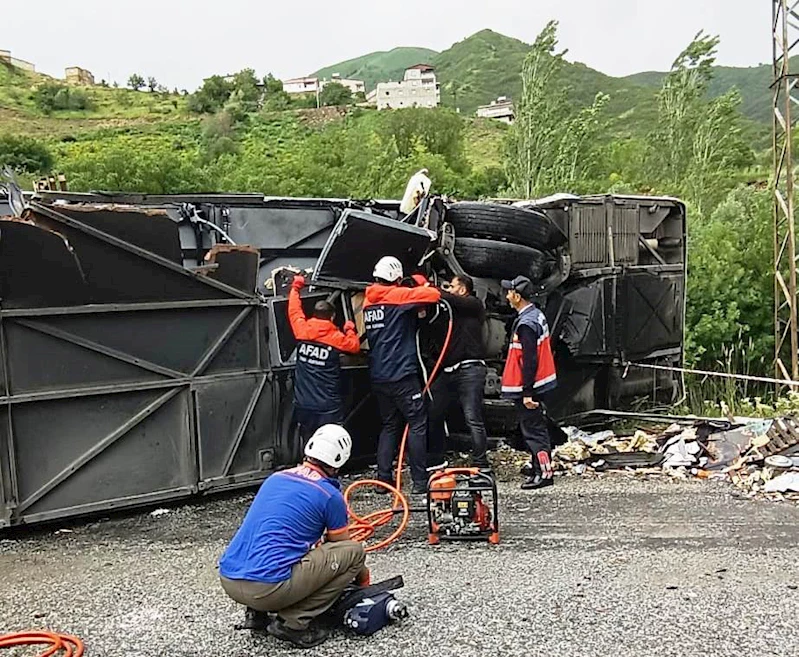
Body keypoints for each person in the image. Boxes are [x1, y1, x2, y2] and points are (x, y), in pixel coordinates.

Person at [218, 424, 368, 649]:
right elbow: (341, 547)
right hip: (267, 590)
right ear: (340, 462)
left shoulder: (276, 478)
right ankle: (293, 623)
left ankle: (256, 616)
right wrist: (363, 578)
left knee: (272, 544)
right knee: (355, 553)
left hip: (229, 579)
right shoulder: (329, 495)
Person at [363, 256, 441, 494]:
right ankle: (419, 481)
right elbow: (434, 296)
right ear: (396, 278)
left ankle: (383, 480)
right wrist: (419, 283)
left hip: (379, 375)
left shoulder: (368, 302)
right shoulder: (396, 297)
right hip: (402, 374)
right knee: (417, 423)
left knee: (389, 426)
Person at [500, 275, 558, 490]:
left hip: (531, 386)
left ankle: (544, 473)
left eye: (509, 292)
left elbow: (529, 360)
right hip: (540, 382)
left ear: (517, 295)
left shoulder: (526, 323)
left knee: (535, 431)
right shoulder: (536, 314)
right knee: (533, 428)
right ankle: (538, 467)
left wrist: (527, 393)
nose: (506, 296)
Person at [427, 274, 490, 470]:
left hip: (471, 369)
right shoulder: (449, 313)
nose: (449, 290)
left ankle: (481, 462)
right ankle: (437, 459)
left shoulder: (474, 305)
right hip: (449, 370)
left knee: (472, 417)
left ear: (463, 290)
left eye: (452, 286)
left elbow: (450, 298)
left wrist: (429, 287)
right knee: (432, 411)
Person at [288, 274, 360, 440]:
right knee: (329, 442)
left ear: (314, 314)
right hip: (328, 406)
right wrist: (349, 329)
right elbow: (354, 346)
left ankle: (308, 465)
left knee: (308, 441)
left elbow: (294, 310)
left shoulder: (302, 330)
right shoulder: (335, 338)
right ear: (332, 317)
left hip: (303, 403)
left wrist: (295, 288)